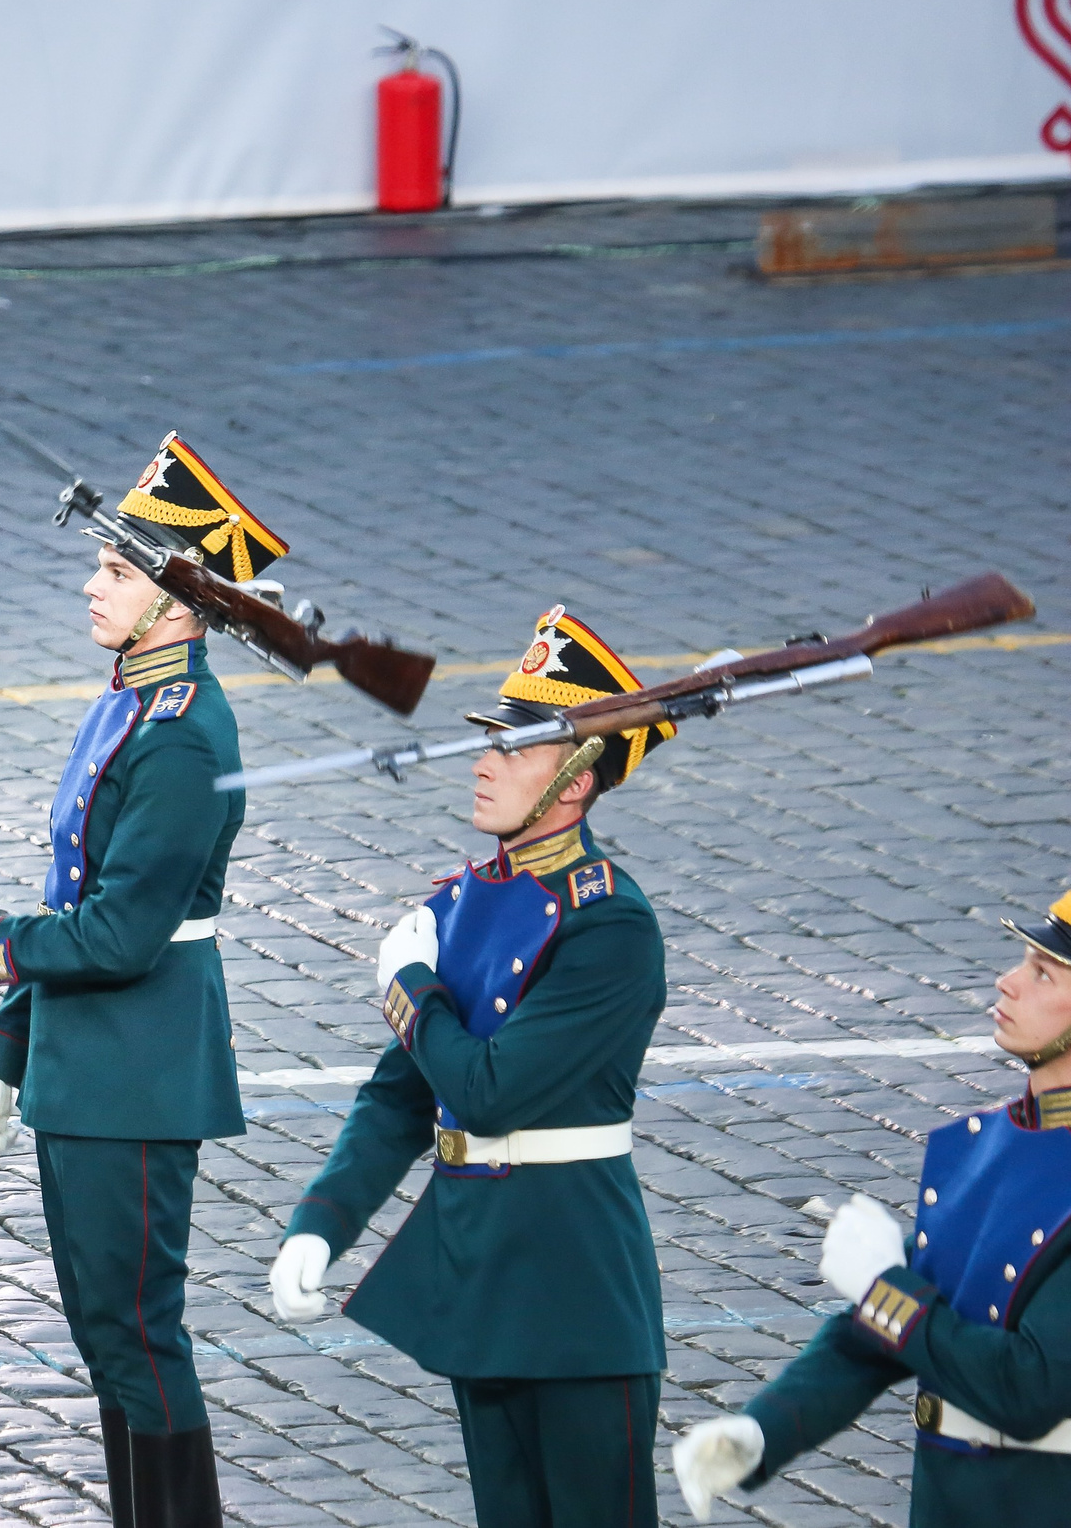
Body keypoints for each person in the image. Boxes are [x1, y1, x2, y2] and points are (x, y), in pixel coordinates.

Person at [0, 431, 274, 1528]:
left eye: (116, 570)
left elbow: (116, 936)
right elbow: (73, 898)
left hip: (139, 1068)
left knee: (137, 1331)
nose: (90, 582)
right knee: (105, 1331)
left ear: (180, 600)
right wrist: (2, 1051)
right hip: (87, 1064)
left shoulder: (181, 736)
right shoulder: (126, 700)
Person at [268, 607, 676, 1528]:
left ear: (575, 781)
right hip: (483, 1282)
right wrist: (321, 1223)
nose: (484, 762)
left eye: (515, 750)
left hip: (575, 1289)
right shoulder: (464, 900)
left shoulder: (609, 925)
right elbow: (400, 1098)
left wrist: (411, 988)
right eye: (490, 741)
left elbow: (490, 1090)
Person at [672, 885, 1071, 1526]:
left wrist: (887, 1290)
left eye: (1043, 972)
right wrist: (763, 1432)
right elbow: (880, 1334)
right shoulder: (987, 1147)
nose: (1008, 981)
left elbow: (1028, 1390)